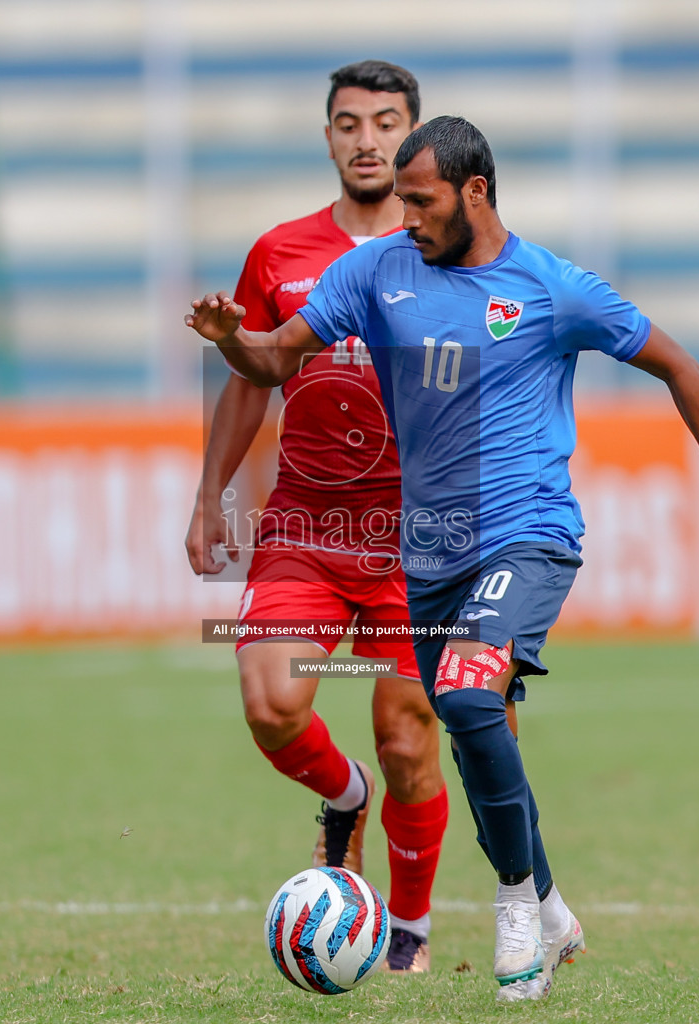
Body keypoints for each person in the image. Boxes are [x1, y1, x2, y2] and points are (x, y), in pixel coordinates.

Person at [186, 115, 699, 1002]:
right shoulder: (376, 272)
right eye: (400, 201)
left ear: (474, 194)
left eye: (420, 201)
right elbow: (273, 360)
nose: (406, 217)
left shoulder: (549, 286)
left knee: (464, 693)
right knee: (476, 727)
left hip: (530, 534)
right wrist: (232, 336)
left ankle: (511, 910)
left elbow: (680, 367)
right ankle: (547, 900)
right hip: (429, 555)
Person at [183, 61, 446, 974]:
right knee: (271, 702)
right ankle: (343, 798)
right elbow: (251, 379)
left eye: (384, 123)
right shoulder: (280, 254)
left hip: (417, 545)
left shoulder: (449, 253)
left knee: (409, 734)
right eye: (348, 124)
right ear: (328, 136)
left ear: (414, 135)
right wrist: (212, 495)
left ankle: (406, 929)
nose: (366, 140)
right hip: (305, 534)